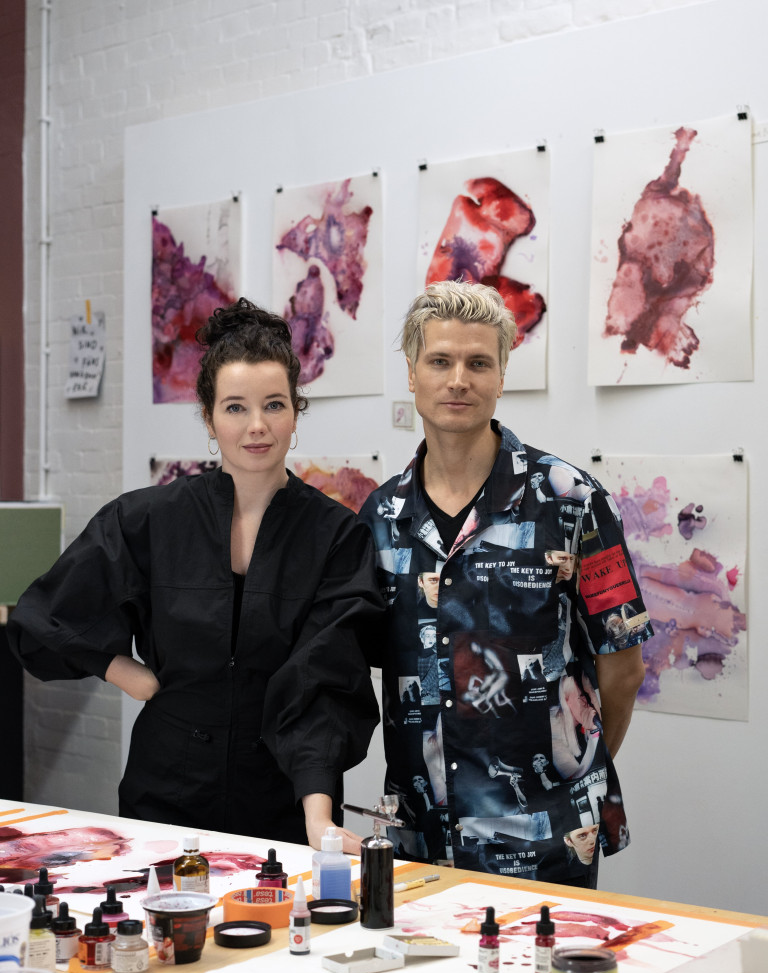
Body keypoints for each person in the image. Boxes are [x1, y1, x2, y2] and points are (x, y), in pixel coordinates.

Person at [9, 298, 383, 853]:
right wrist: (125, 672)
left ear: (295, 414)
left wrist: (319, 819)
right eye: (235, 408)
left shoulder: (336, 536)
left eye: (274, 405)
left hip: (280, 800)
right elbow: (43, 616)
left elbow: (326, 688)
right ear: (209, 418)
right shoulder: (147, 519)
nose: (256, 426)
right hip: (165, 791)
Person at [359, 280, 652, 886]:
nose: (458, 379)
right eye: (439, 361)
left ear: (501, 375)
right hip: (420, 839)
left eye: (477, 363)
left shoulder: (572, 502)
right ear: (412, 374)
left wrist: (572, 780)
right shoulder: (382, 517)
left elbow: (624, 667)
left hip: (548, 839)